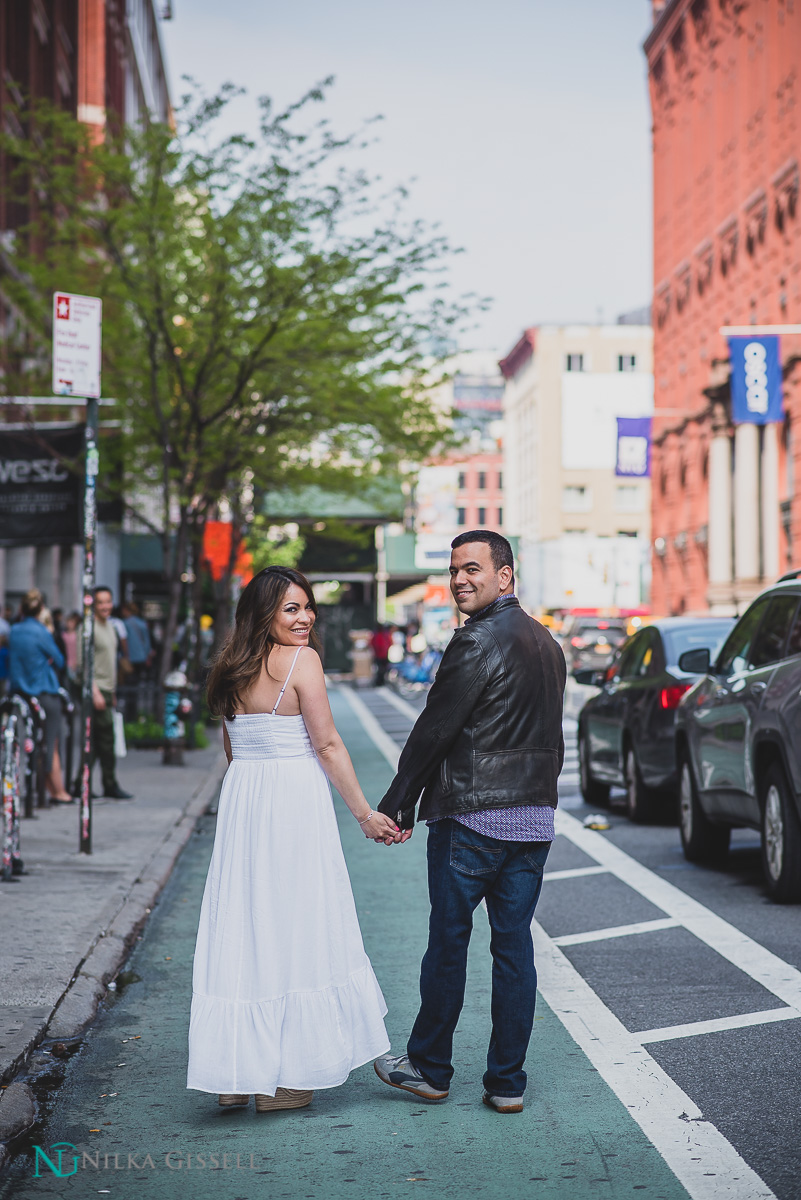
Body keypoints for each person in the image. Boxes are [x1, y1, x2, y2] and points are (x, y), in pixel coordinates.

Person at [188, 566, 397, 1112]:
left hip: (245, 802)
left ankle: (233, 1075)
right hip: (293, 802)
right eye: (291, 609)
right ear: (264, 614)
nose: (305, 619)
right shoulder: (302, 663)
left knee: (243, 925)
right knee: (298, 924)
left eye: (308, 608)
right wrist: (364, 814)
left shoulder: (228, 669)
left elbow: (233, 751)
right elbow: (326, 745)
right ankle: (286, 1080)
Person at [373, 530, 566, 1114]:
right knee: (514, 953)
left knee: (448, 946)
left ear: (505, 575)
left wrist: (397, 802)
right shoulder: (547, 643)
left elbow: (436, 727)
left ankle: (431, 1069)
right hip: (534, 822)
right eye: (455, 569)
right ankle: (507, 1084)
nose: (461, 578)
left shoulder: (476, 641)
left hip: (474, 819)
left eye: (473, 569)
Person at [8, 589, 73, 803]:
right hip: (43, 692)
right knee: (51, 743)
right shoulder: (41, 632)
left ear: (21, 609)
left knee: (27, 741)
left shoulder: (14, 631)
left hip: (19, 695)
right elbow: (60, 660)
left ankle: (43, 790)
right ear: (41, 609)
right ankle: (58, 792)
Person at [75, 587, 133, 801]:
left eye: (108, 601)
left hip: (108, 691)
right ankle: (109, 784)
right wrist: (95, 691)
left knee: (97, 742)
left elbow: (111, 662)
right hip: (96, 692)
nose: (105, 606)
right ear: (93, 605)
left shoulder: (111, 626)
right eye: (101, 602)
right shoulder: (87, 628)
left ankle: (79, 784)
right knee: (106, 740)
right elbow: (83, 665)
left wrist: (112, 692)